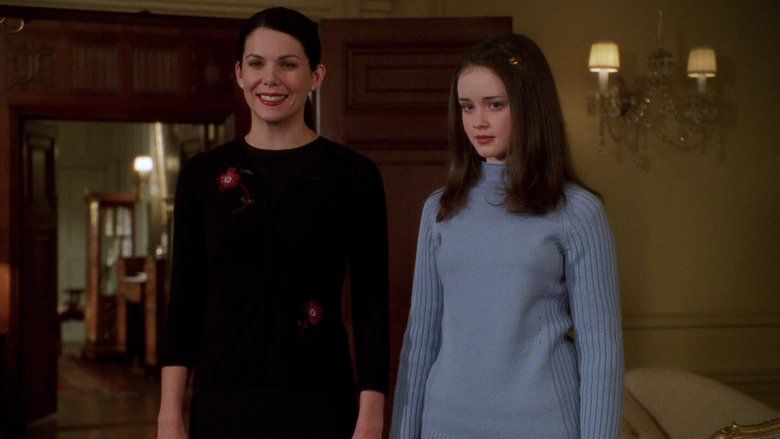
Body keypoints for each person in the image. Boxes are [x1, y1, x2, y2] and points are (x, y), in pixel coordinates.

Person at [157, 7, 389, 439]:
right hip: (223, 402)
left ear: (316, 76)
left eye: (288, 64)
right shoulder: (202, 175)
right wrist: (168, 414)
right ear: (239, 74)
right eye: (256, 63)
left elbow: (371, 305)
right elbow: (184, 301)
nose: (270, 79)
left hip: (321, 400)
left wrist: (371, 416)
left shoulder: (353, 175)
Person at [390, 33, 623, 438]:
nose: (477, 121)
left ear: (530, 107)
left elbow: (601, 351)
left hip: (542, 424)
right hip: (445, 423)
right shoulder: (440, 209)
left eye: (494, 105)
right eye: (467, 106)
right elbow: (421, 340)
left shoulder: (577, 211)